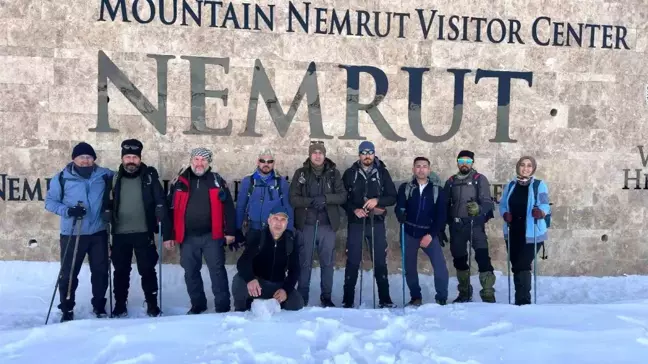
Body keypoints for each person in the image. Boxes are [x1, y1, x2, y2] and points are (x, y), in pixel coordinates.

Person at [44, 142, 114, 322]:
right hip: (73, 232)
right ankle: (66, 308)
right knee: (69, 273)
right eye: (81, 157)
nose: (85, 160)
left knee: (100, 271)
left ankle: (99, 306)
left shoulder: (104, 175)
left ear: (94, 159)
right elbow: (50, 202)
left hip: (98, 232)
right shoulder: (61, 178)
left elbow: (125, 179)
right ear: (74, 158)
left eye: (89, 157)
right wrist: (68, 211)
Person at [164, 147, 236, 314]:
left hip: (212, 235)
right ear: (191, 161)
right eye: (196, 159)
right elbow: (169, 209)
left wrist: (230, 231)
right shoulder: (180, 181)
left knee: (217, 272)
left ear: (209, 162)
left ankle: (222, 307)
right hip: (187, 236)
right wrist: (169, 235)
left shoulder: (216, 180)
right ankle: (198, 305)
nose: (199, 163)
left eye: (203, 160)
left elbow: (229, 208)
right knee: (190, 272)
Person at [105, 139, 171, 318]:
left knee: (148, 270)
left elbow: (161, 202)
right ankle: (120, 303)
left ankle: (151, 303)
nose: (131, 161)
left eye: (135, 157)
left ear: (140, 159)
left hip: (144, 233)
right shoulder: (114, 179)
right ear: (122, 159)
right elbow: (107, 201)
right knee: (121, 271)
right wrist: (107, 211)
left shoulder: (149, 178)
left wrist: (164, 226)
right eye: (128, 157)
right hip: (119, 234)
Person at [289, 141, 347, 307]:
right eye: (314, 152)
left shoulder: (333, 173)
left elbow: (342, 196)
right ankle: (302, 295)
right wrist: (311, 201)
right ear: (310, 155)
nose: (317, 155)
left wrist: (326, 199)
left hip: (327, 225)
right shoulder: (301, 173)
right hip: (306, 224)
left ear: (324, 154)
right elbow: (293, 198)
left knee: (327, 263)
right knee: (304, 262)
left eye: (320, 152)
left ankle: (326, 297)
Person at [341, 141, 398, 309]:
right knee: (352, 260)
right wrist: (354, 210)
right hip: (356, 223)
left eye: (370, 152)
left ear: (374, 154)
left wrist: (377, 201)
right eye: (364, 152)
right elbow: (343, 199)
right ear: (359, 155)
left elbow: (392, 197)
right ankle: (348, 300)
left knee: (380, 260)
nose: (367, 155)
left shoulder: (382, 172)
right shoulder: (350, 173)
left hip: (376, 222)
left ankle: (385, 299)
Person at [395, 157, 449, 306]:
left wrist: (431, 235)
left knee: (440, 267)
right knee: (410, 267)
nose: (421, 169)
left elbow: (441, 216)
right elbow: (399, 206)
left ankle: (441, 297)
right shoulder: (405, 188)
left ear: (429, 170)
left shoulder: (437, 190)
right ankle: (415, 296)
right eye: (418, 166)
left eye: (424, 166)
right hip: (409, 232)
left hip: (428, 234)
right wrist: (400, 213)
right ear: (413, 169)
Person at [443, 150, 496, 303]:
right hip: (457, 227)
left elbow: (487, 202)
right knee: (459, 260)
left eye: (467, 161)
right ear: (457, 162)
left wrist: (479, 208)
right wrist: (444, 224)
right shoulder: (451, 181)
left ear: (472, 163)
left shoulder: (480, 179)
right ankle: (464, 292)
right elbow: (444, 204)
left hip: (475, 226)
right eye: (461, 161)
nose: (464, 164)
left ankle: (487, 293)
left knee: (482, 258)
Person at [231, 205, 304, 311]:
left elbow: (295, 270)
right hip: (258, 285)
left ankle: (272, 304)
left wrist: (285, 290)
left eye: (283, 220)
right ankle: (243, 310)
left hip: (277, 287)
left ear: (286, 223)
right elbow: (243, 262)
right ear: (269, 220)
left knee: (297, 303)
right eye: (275, 218)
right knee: (238, 281)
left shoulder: (290, 241)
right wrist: (250, 279)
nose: (279, 223)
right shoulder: (259, 237)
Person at [499, 156, 550, 305]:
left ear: (533, 168)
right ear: (518, 167)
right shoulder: (511, 185)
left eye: (529, 166)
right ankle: (518, 300)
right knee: (516, 265)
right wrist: (504, 214)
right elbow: (503, 205)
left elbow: (545, 204)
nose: (525, 168)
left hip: (532, 231)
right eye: (522, 165)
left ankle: (524, 301)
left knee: (523, 264)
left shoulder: (539, 185)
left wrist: (540, 212)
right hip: (513, 231)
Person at [235, 149, 293, 244]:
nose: (266, 164)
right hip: (253, 229)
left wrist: (289, 230)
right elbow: (240, 206)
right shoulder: (248, 181)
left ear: (274, 163)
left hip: (273, 231)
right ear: (258, 162)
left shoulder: (281, 182)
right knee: (252, 257)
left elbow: (288, 207)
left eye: (269, 161)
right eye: (262, 161)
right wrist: (237, 229)